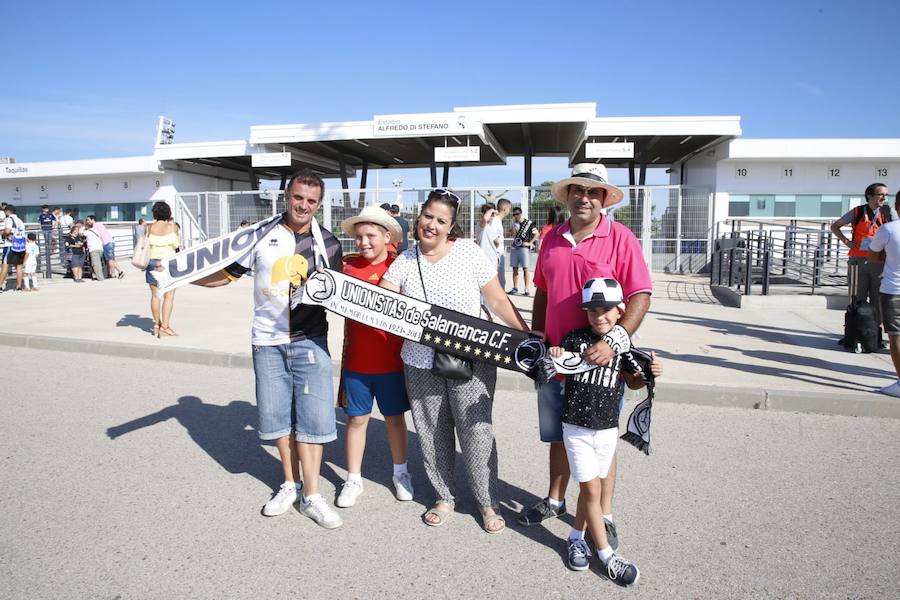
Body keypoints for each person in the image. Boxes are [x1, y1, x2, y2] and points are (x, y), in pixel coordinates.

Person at [194, 170, 344, 528]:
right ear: (286, 197)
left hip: (311, 341)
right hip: (267, 341)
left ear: (319, 204)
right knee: (278, 421)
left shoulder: (330, 244)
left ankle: (313, 496)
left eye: (311, 201)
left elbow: (340, 296)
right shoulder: (259, 236)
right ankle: (289, 484)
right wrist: (180, 277)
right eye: (297, 197)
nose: (303, 205)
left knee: (314, 422)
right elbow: (227, 274)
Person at [519, 164, 653, 555]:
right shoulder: (552, 238)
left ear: (603, 199)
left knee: (600, 443)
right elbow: (542, 290)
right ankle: (555, 500)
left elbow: (641, 294)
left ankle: (604, 516)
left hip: (601, 362)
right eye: (578, 190)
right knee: (559, 435)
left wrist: (615, 339)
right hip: (557, 358)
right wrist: (538, 336)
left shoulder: (620, 238)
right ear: (569, 194)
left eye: (593, 192)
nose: (584, 197)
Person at [380, 189, 530, 533]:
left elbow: (495, 297)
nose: (431, 225)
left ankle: (487, 501)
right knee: (432, 431)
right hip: (419, 360)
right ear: (420, 217)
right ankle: (444, 496)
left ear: (452, 227)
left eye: (441, 220)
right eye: (428, 216)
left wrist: (524, 333)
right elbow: (382, 301)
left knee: (476, 430)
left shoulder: (468, 252)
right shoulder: (405, 259)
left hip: (471, 357)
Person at [547, 278, 662, 585]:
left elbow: (633, 381)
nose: (600, 316)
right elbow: (556, 368)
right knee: (591, 490)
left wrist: (650, 373)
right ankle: (607, 555)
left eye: (607, 310)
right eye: (592, 310)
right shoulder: (573, 340)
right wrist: (555, 354)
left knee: (593, 489)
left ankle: (576, 537)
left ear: (620, 310)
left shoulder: (622, 346)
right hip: (576, 427)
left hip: (607, 427)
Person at [334, 205, 414, 508]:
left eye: (370, 235)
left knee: (395, 419)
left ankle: (401, 473)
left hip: (393, 362)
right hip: (357, 362)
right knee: (356, 420)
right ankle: (353, 478)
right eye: (358, 236)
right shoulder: (346, 266)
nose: (363, 242)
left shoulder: (400, 265)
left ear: (387, 236)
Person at [831, 183, 893, 346]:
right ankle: (852, 332)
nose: (884, 198)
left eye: (886, 195)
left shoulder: (888, 212)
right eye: (880, 194)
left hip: (879, 261)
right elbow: (835, 226)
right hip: (858, 260)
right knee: (856, 297)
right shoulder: (858, 211)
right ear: (870, 196)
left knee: (877, 300)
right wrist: (846, 241)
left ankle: (874, 335)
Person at [868, 190, 900, 396]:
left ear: (897, 206)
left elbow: (873, 256)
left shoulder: (888, 229)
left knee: (896, 337)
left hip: (893, 290)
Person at [145, 202, 181, 337]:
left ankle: (156, 325)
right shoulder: (173, 227)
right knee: (169, 296)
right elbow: (177, 245)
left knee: (155, 296)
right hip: (169, 263)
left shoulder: (149, 228)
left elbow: (145, 244)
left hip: (152, 262)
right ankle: (165, 326)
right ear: (168, 213)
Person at [508, 207, 538, 296]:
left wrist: (530, 243)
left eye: (517, 214)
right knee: (514, 268)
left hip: (523, 248)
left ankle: (526, 289)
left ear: (521, 214)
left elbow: (537, 234)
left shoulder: (529, 223)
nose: (515, 216)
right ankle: (515, 288)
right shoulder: (514, 224)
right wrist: (513, 224)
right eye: (514, 214)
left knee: (525, 268)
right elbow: (513, 235)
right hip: (515, 248)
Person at [1, 204, 27, 291]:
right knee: (19, 266)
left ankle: (0, 285)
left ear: (8, 211)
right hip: (20, 246)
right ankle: (19, 286)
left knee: (5, 265)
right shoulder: (20, 220)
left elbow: (7, 231)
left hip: (10, 245)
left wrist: (3, 232)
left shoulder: (9, 219)